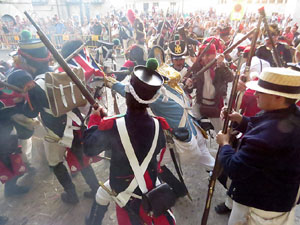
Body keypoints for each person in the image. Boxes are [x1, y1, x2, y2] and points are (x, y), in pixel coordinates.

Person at [12, 33, 99, 204]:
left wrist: (22, 99)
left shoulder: (34, 86)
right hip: (75, 124)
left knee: (55, 162)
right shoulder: (61, 72)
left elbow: (29, 113)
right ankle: (95, 189)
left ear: (29, 63)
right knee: (82, 159)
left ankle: (71, 194)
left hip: (55, 131)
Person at [84, 63, 176, 225]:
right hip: (149, 178)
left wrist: (95, 120)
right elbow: (158, 148)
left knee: (101, 195)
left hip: (123, 184)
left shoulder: (112, 127)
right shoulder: (158, 125)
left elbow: (89, 148)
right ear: (151, 99)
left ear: (127, 94)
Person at [216, 67, 300, 225]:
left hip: (260, 205)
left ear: (278, 97)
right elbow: (263, 126)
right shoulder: (291, 112)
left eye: (261, 92)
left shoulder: (268, 138)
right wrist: (241, 120)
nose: (255, 95)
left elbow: (235, 168)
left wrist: (225, 144)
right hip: (280, 196)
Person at [186, 43, 233, 132]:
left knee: (222, 131)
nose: (205, 58)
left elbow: (230, 78)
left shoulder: (220, 67)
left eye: (208, 55)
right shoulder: (198, 68)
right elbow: (190, 88)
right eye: (203, 55)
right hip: (200, 103)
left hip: (216, 105)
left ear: (214, 55)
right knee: (194, 128)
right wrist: (190, 84)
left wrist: (222, 65)